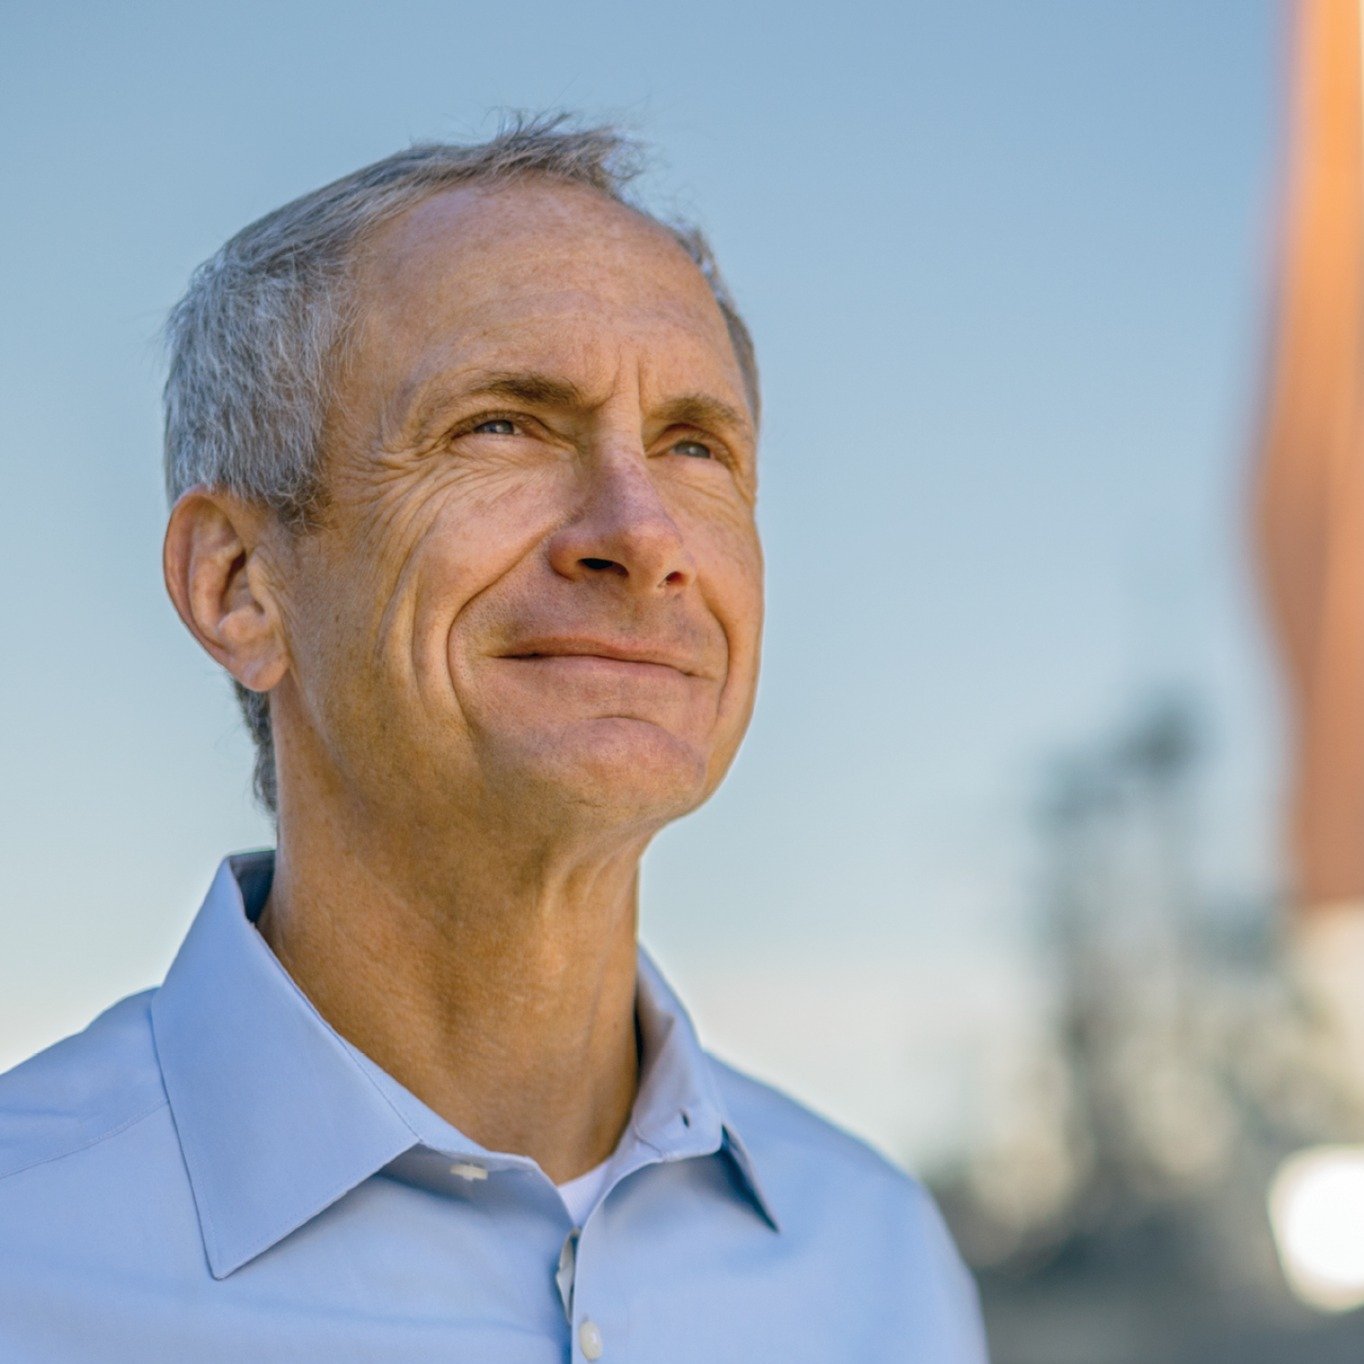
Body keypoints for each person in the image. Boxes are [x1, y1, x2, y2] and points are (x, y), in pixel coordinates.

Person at [0, 116, 989, 1362]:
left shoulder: (879, 1260)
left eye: (693, 445)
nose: (643, 534)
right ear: (239, 584)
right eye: (502, 424)